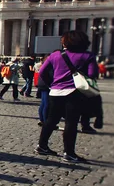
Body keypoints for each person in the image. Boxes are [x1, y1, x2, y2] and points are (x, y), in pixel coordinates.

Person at [35, 30, 98, 163]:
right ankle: (69, 153)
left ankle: (42, 146)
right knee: (71, 122)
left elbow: (42, 71)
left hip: (55, 92)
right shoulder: (87, 56)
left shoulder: (56, 55)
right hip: (74, 93)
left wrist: (51, 84)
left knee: (51, 120)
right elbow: (92, 75)